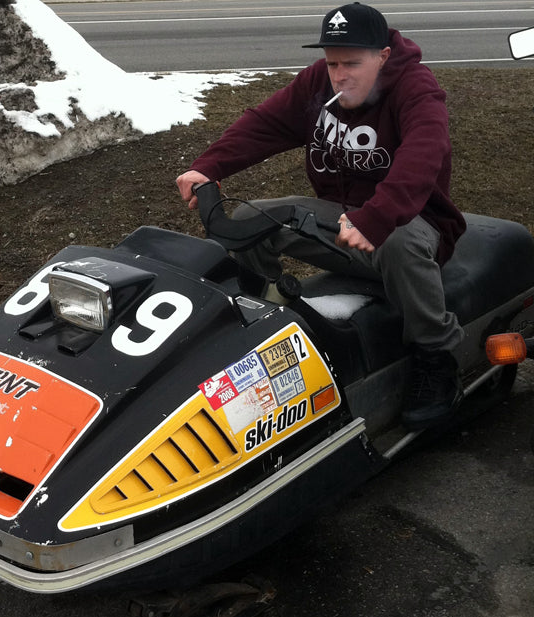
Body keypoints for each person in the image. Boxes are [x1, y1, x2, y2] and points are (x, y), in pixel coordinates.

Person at [176, 2, 466, 430]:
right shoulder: (318, 83)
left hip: (409, 219)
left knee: (399, 243)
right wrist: (210, 166)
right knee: (253, 220)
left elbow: (424, 156)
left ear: (382, 56)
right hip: (342, 219)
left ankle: (436, 357)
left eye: (352, 62)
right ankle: (262, 327)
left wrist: (377, 218)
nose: (340, 74)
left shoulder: (415, 88)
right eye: (333, 63)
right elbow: (267, 124)